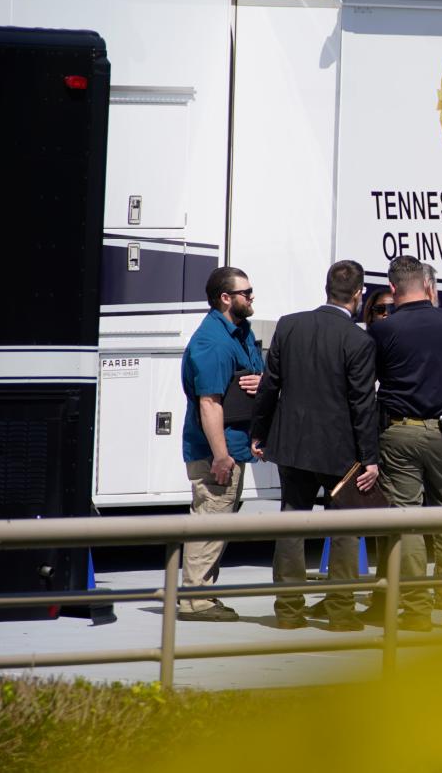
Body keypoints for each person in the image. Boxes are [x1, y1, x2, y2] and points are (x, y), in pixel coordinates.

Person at [250, 260, 379, 631]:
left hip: (292, 445)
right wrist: (370, 458)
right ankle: (341, 614)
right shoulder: (358, 340)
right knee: (344, 529)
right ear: (358, 294)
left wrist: (259, 433)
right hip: (342, 452)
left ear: (327, 288)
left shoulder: (290, 326)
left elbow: (270, 386)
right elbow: (362, 404)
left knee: (292, 522)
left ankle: (288, 612)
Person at [364, 256, 442, 630]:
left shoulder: (384, 330)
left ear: (393, 289)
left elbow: (371, 381)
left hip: (400, 432)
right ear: (427, 286)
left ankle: (416, 612)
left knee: (407, 521)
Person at [177, 266, 264, 622]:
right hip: (218, 452)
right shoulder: (212, 342)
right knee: (210, 521)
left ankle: (204, 594)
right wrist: (221, 456)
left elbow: (245, 383)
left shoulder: (239, 332)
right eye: (246, 292)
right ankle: (194, 600)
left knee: (219, 522)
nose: (252, 297)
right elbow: (209, 403)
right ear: (225, 298)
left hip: (235, 446)